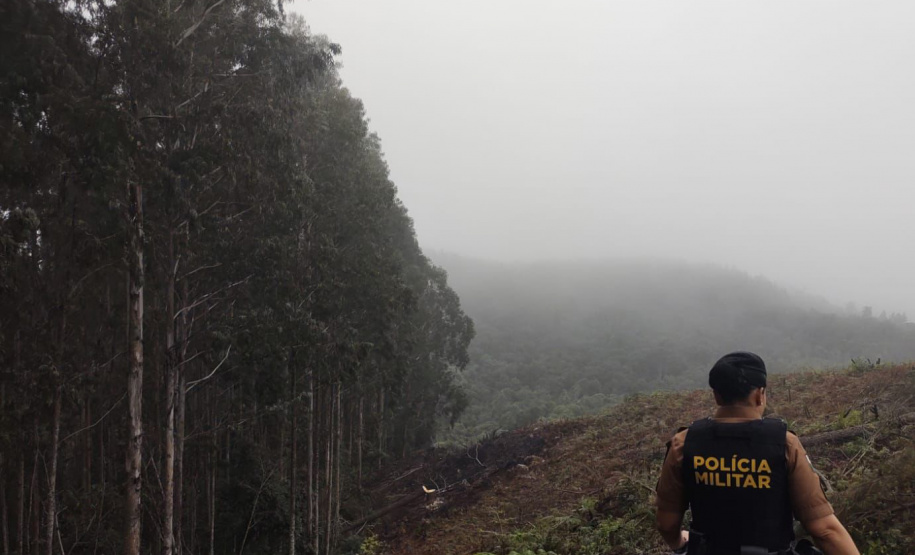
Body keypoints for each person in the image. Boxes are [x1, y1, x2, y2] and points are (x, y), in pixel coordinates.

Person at [655, 351, 860, 555]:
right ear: (759, 394)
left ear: (717, 395)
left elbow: (666, 524)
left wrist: (679, 542)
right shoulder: (785, 444)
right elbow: (824, 530)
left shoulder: (683, 443)